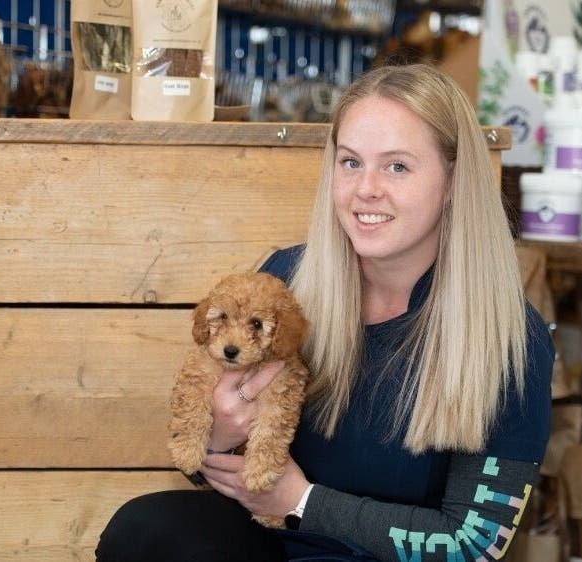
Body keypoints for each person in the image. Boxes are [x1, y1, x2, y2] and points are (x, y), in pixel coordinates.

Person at [95, 62, 554, 562]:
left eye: (397, 166)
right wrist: (217, 437)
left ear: (453, 181)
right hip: (272, 544)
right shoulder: (286, 282)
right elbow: (212, 462)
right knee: (146, 531)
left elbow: (474, 544)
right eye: (351, 162)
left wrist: (302, 501)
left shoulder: (511, 339)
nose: (366, 189)